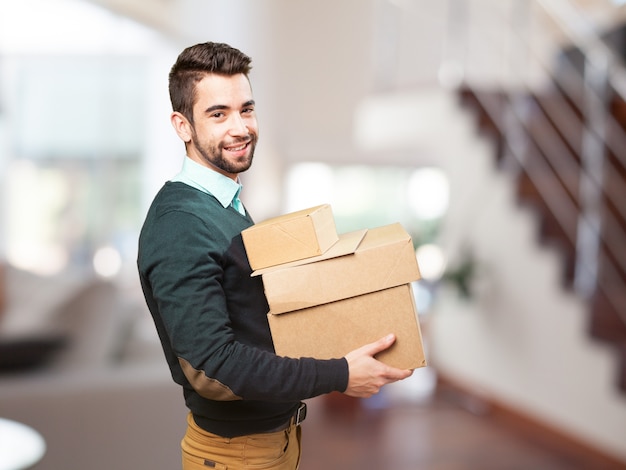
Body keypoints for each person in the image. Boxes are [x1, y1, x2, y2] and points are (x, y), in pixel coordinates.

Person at [137, 41, 412, 470]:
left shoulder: (224, 204)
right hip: (234, 455)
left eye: (246, 109)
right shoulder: (181, 223)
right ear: (182, 125)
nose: (240, 127)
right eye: (218, 114)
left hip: (275, 440)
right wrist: (339, 373)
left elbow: (256, 323)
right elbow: (214, 367)